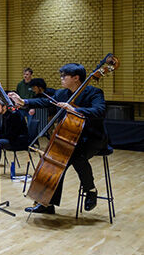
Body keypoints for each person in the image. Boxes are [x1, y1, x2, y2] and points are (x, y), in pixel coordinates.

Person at [9, 63, 107, 214]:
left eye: (64, 76)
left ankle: (91, 190)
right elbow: (45, 101)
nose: (61, 79)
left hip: (92, 138)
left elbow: (99, 111)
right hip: (68, 137)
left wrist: (75, 109)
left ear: (76, 78)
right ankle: (47, 204)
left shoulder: (94, 93)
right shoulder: (62, 94)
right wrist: (24, 102)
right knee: (56, 162)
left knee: (74, 155)